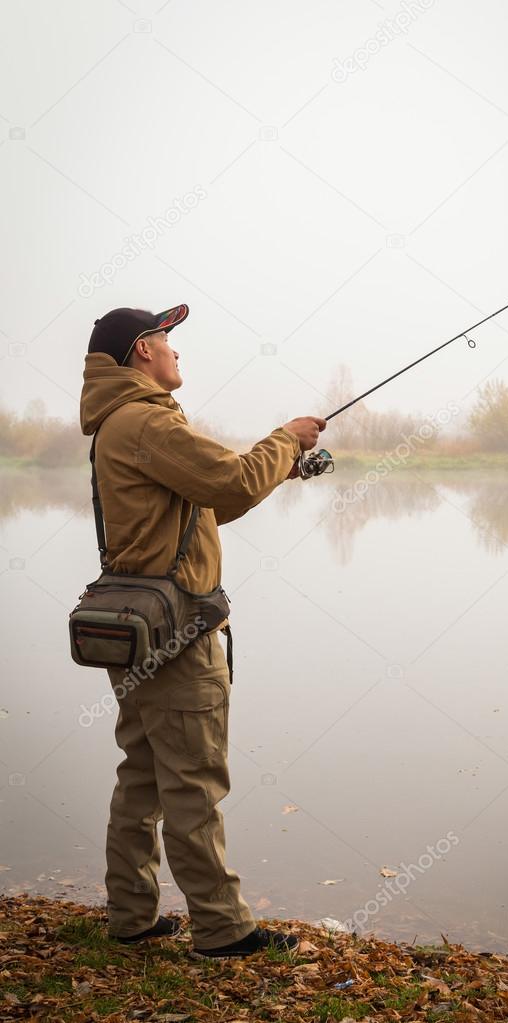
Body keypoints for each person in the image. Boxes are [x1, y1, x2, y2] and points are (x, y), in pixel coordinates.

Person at [79, 303, 325, 958]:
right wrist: (286, 436)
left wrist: (284, 465)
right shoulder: (145, 421)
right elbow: (233, 476)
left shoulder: (118, 423)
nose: (176, 352)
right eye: (167, 341)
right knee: (194, 781)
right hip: (177, 636)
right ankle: (222, 929)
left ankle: (131, 914)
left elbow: (218, 499)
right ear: (141, 353)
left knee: (143, 776)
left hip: (136, 627)